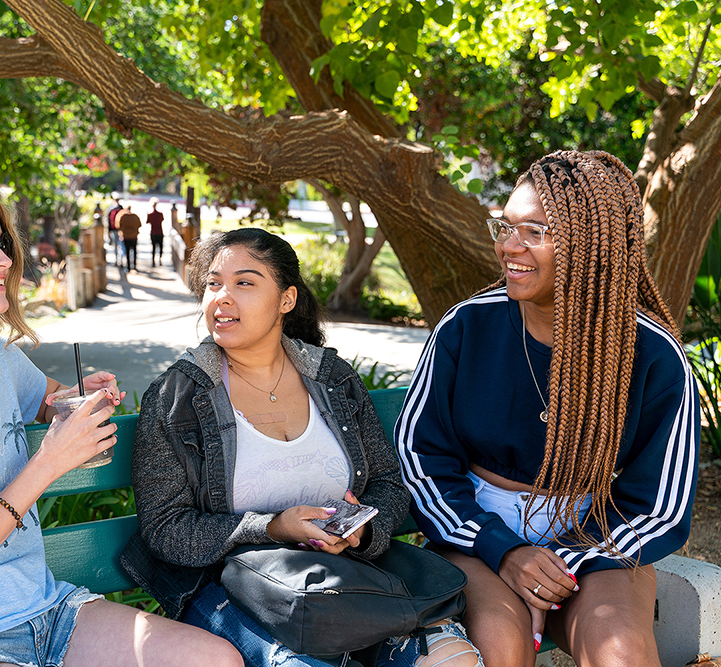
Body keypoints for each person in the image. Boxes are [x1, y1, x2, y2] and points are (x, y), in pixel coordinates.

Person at [0, 172, 243, 667]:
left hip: (43, 611)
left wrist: (82, 400)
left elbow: (52, 401)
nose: (7, 260)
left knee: (213, 660)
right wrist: (51, 461)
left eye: (3, 244)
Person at [120, 228, 482, 667]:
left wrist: (362, 531)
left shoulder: (331, 378)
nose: (222, 297)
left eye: (245, 283)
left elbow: (387, 483)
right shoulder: (179, 397)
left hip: (346, 583)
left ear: (287, 300)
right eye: (214, 283)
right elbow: (165, 528)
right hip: (234, 589)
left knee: (451, 659)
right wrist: (271, 528)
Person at [394, 150, 699, 667]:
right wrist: (504, 549)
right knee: (501, 650)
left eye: (534, 232)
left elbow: (658, 503)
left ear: (589, 246)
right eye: (505, 226)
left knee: (621, 656)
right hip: (476, 531)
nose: (508, 247)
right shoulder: (468, 327)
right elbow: (419, 457)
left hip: (595, 535)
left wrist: (560, 565)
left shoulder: (650, 353)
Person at [116, 206, 141, 272]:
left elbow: (118, 226)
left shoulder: (123, 217)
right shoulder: (135, 217)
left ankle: (128, 266)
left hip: (126, 236)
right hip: (134, 236)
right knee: (134, 251)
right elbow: (139, 224)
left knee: (127, 252)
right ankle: (134, 265)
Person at [146, 198, 165, 267]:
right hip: (159, 232)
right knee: (160, 247)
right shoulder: (160, 214)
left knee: (154, 247)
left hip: (153, 233)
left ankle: (153, 261)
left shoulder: (150, 215)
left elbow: (147, 222)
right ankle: (159, 259)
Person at [106, 195, 124, 267]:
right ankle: (118, 260)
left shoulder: (113, 208)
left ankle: (119, 260)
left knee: (118, 245)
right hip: (116, 229)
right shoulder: (115, 208)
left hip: (117, 229)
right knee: (118, 245)